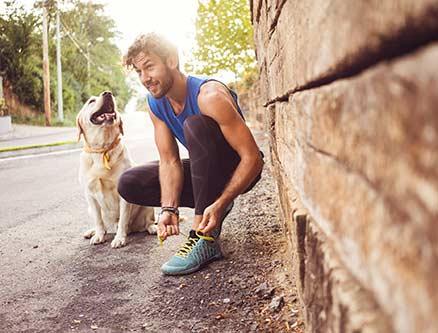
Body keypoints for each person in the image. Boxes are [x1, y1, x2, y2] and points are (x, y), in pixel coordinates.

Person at [118, 33, 264, 276]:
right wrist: (169, 209)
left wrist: (221, 202)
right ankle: (209, 208)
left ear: (172, 60)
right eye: (139, 72)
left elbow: (254, 159)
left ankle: (203, 237)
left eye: (149, 67)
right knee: (129, 182)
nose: (145, 78)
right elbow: (169, 160)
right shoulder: (156, 103)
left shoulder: (209, 96)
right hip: (205, 171)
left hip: (238, 170)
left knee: (195, 125)